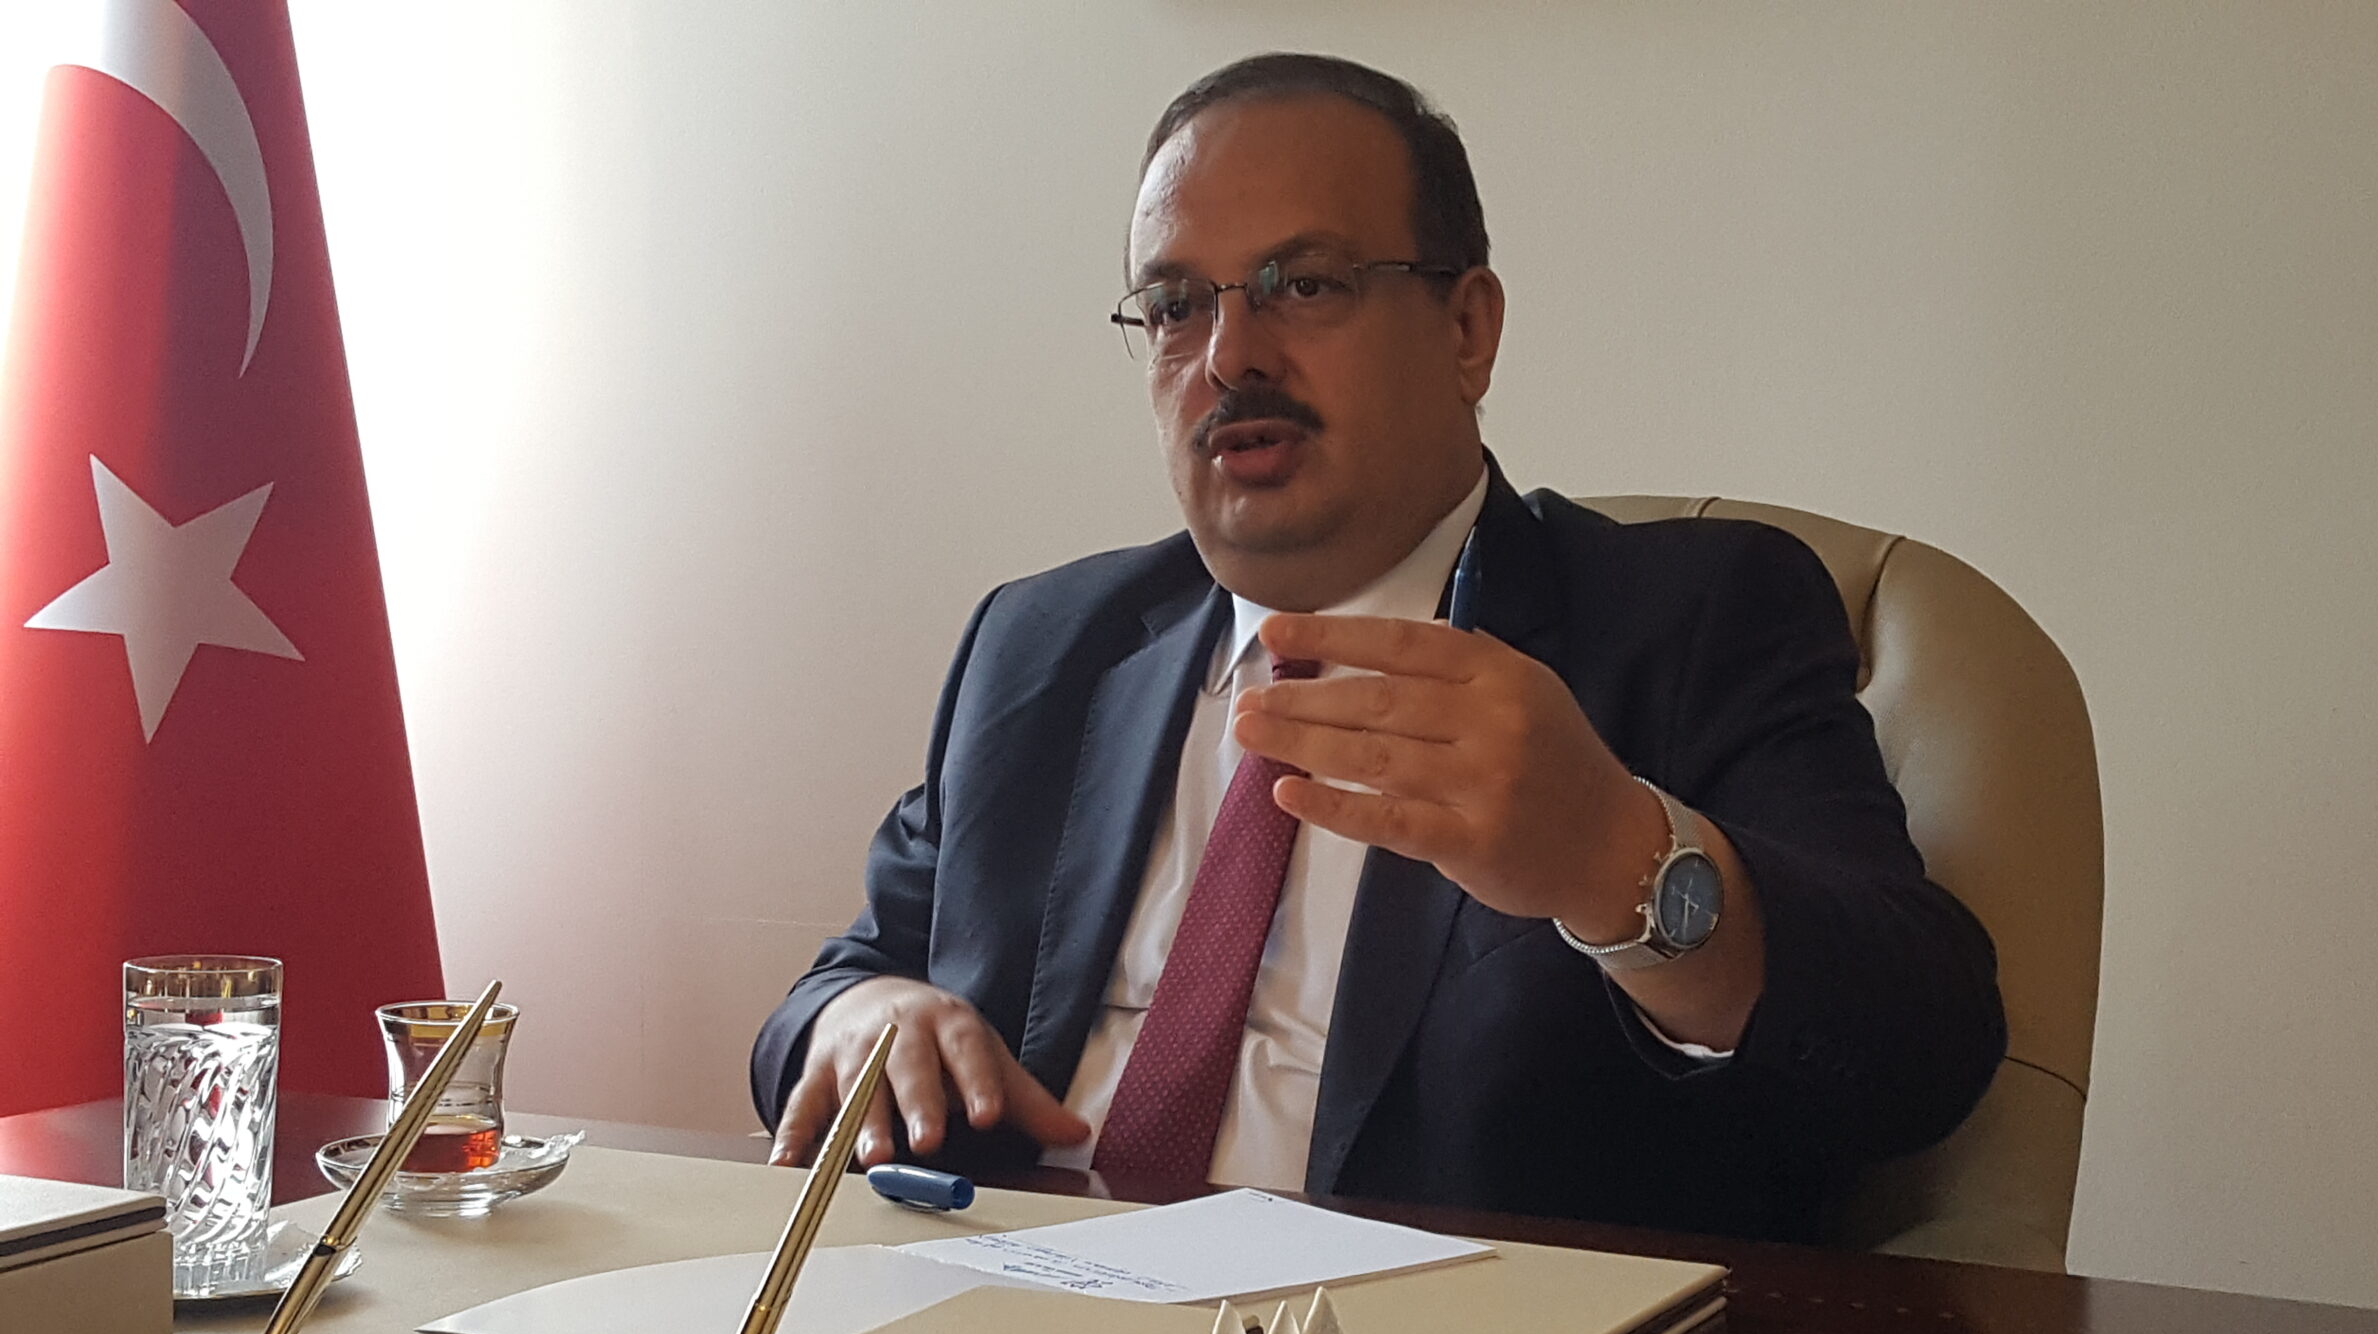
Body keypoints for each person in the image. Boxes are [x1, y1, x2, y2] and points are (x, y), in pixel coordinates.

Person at [751, 53, 2003, 1241]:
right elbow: (848, 977)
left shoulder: (1690, 616)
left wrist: (1617, 858)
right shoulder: (1041, 644)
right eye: (1176, 307)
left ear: (1467, 330)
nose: (1230, 356)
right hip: (1003, 1326)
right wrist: (857, 1016)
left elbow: (1920, 1056)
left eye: (1304, 284)